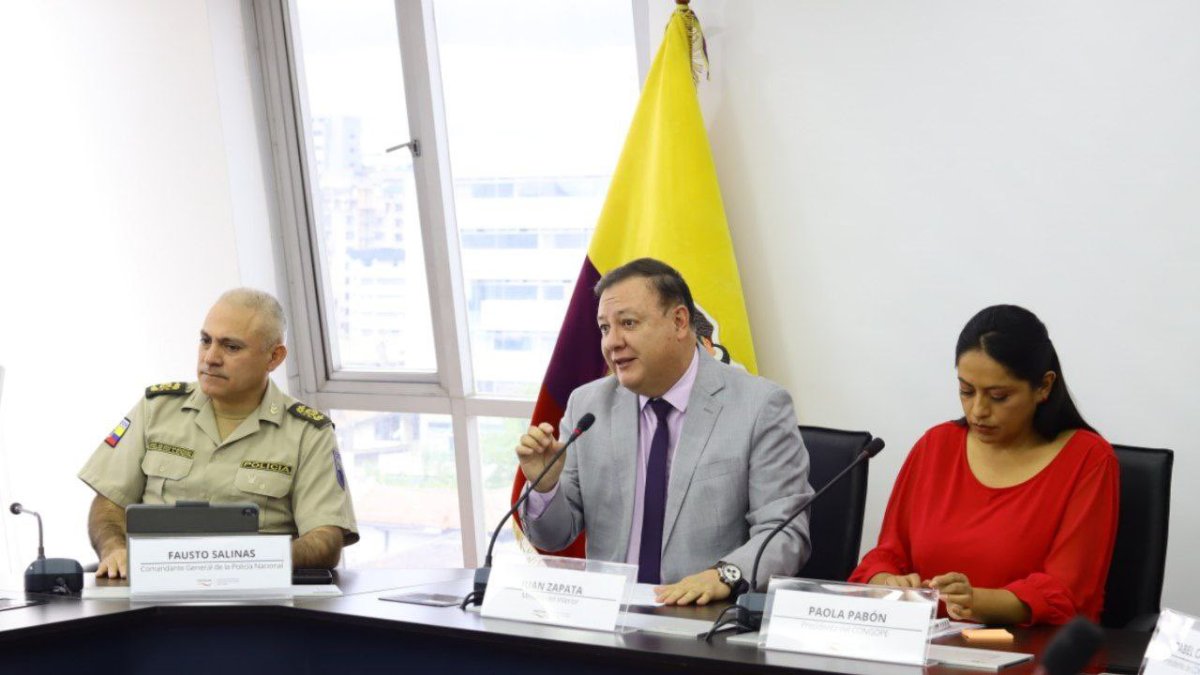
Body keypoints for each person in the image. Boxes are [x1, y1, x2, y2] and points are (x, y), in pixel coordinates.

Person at [516, 258, 813, 606]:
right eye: (604, 329)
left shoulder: (759, 406)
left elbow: (785, 532)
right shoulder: (588, 405)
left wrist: (725, 575)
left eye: (627, 323)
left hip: (704, 621)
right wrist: (545, 486)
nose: (612, 342)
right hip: (605, 620)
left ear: (679, 321)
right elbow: (552, 538)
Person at [850, 305, 1119, 625]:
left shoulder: (1088, 459)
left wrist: (978, 601)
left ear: (1044, 386)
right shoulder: (935, 446)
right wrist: (886, 582)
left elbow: (1068, 592)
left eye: (999, 396)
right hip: (924, 646)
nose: (978, 410)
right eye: (966, 391)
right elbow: (889, 553)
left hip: (1027, 655)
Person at [79, 288, 358, 578]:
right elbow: (109, 503)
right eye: (205, 341)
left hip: (256, 600)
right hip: (153, 596)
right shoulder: (156, 409)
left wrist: (252, 559)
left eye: (231, 347)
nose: (210, 358)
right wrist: (113, 549)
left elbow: (326, 539)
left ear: (274, 357)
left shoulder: (308, 432)